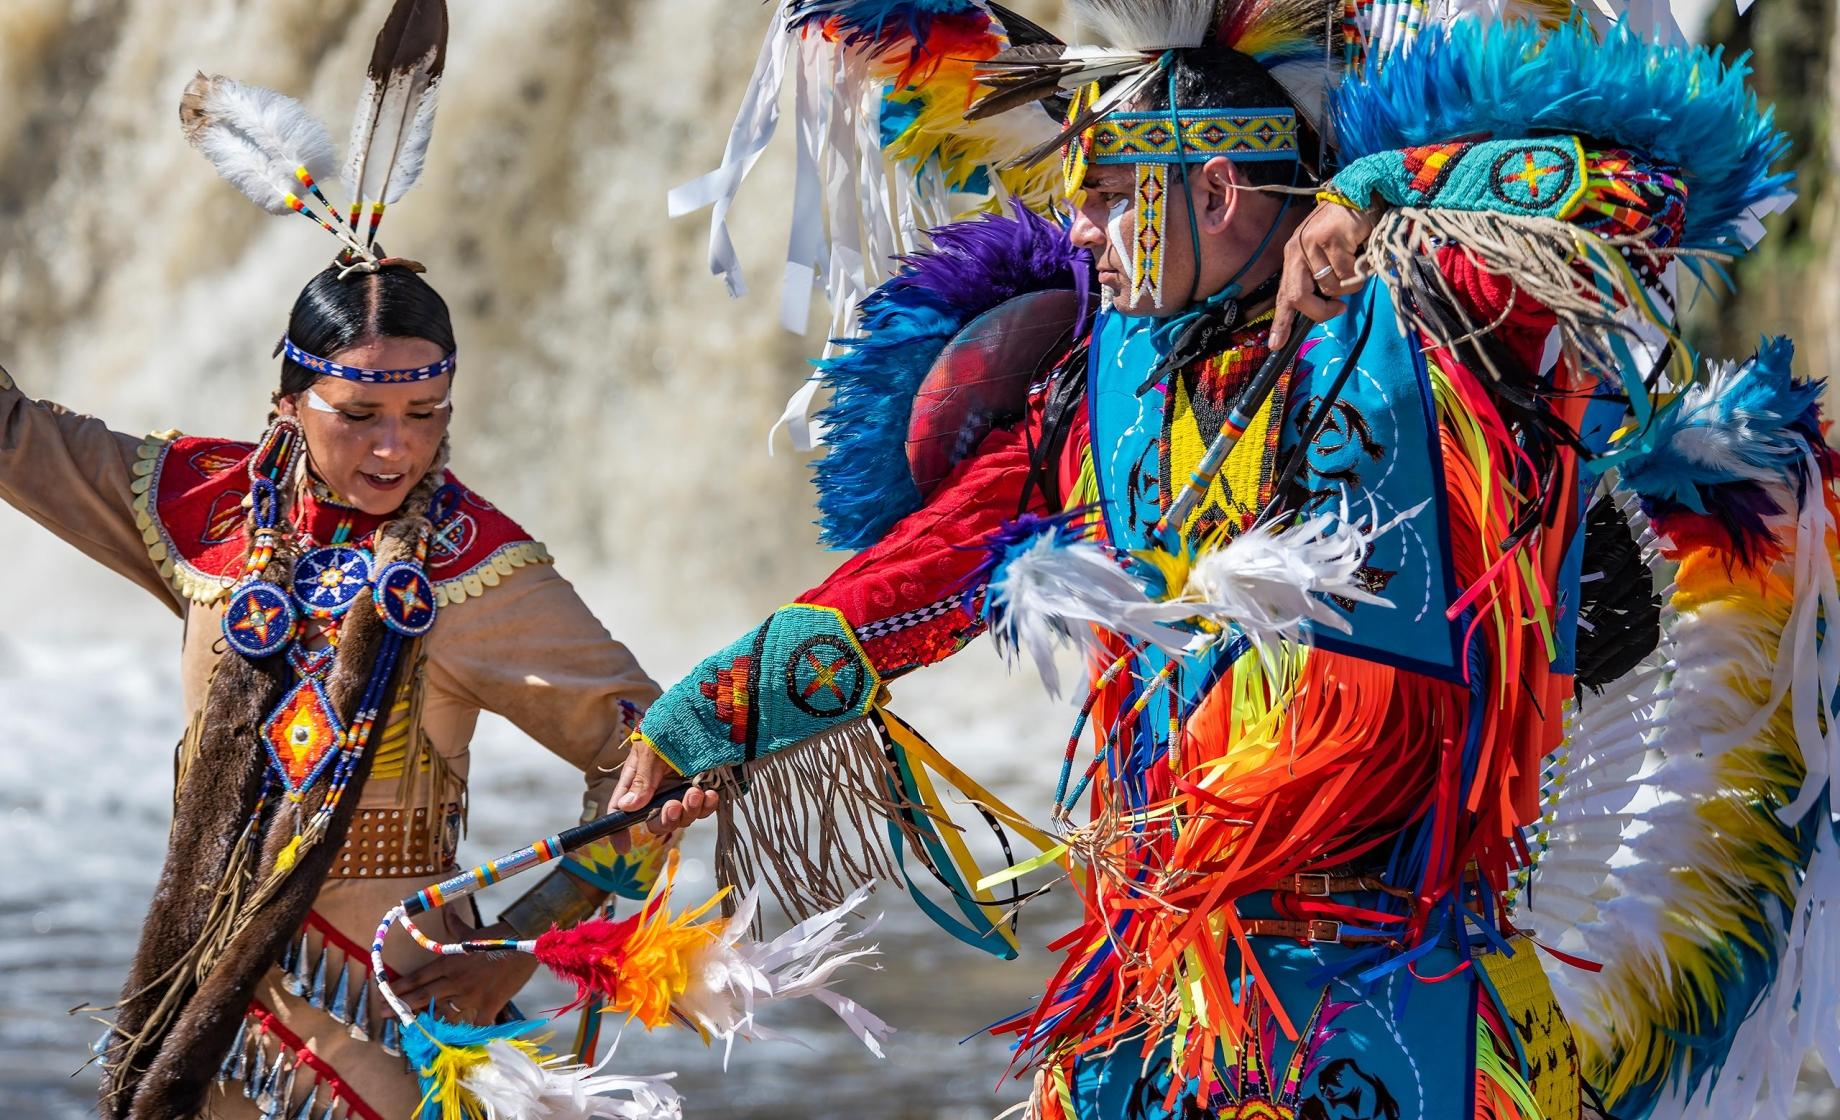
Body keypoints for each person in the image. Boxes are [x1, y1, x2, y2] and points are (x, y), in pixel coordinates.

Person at [616, 2, 1838, 1118]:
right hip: (1158, 993)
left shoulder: (1441, 310)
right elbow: (925, 575)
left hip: (1391, 998)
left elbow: (1648, 192)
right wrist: (697, 722)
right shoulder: (1105, 384)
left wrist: (1370, 188)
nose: (1076, 231)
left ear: (1210, 194)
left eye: (1102, 195)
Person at [0, 2, 709, 1116]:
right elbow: (17, 439)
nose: (396, 447)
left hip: (386, 1024)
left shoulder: (478, 570)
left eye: (428, 413)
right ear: (287, 401)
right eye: (358, 414)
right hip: (203, 1008)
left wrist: (516, 950)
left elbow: (660, 764)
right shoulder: (200, 507)